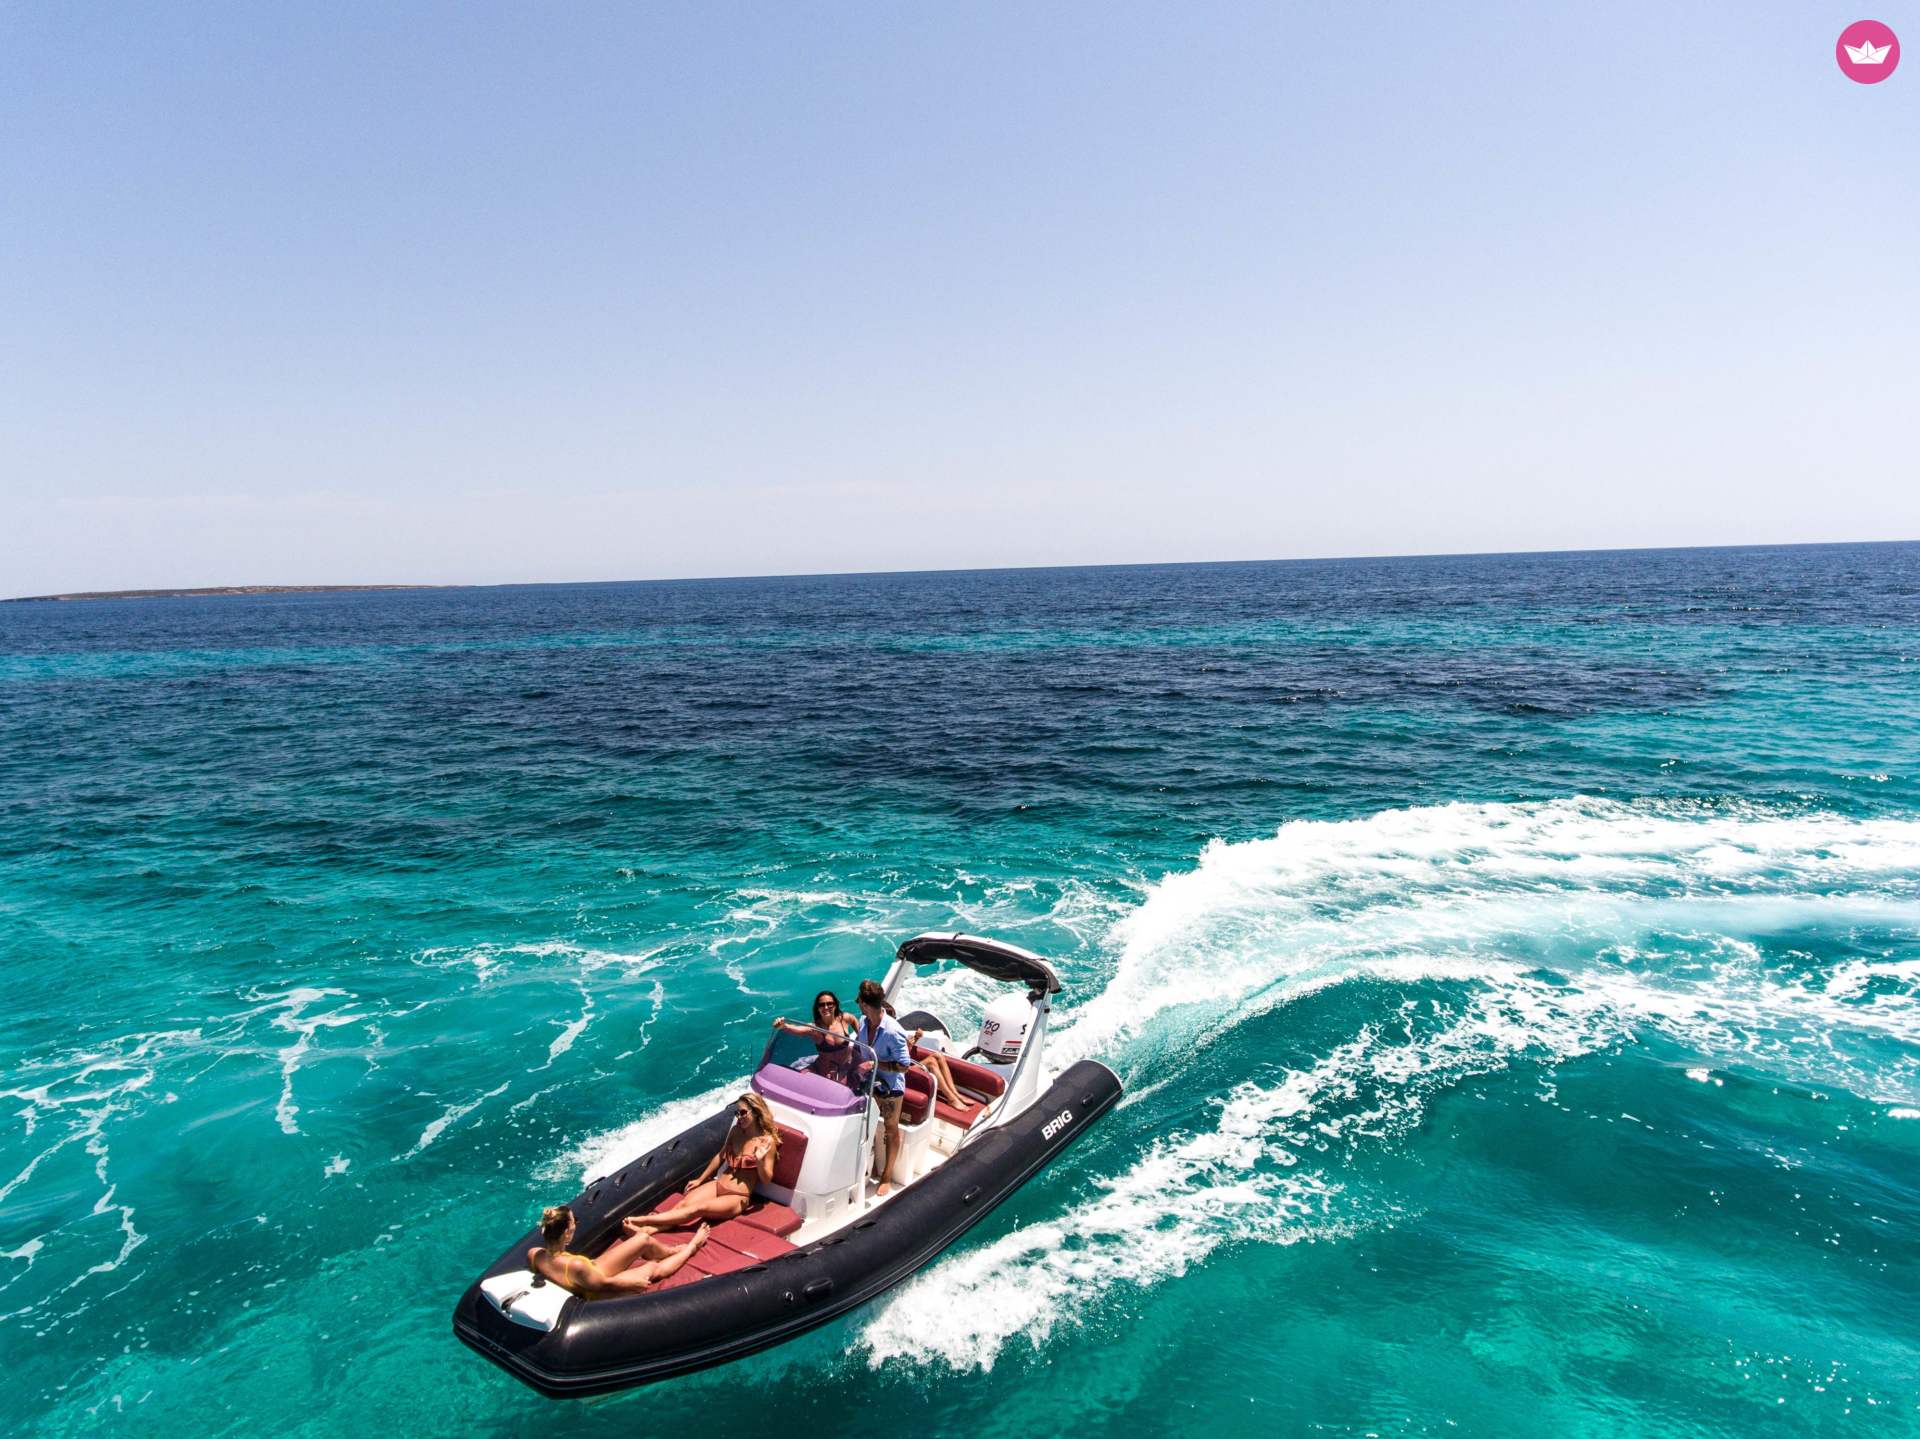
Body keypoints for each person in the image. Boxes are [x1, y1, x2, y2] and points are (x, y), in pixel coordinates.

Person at [637, 1093, 781, 1229]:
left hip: (736, 1197)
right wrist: (700, 1179)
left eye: (743, 1113)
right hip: (718, 1184)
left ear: (755, 1112)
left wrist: (760, 1161)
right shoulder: (736, 1131)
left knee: (699, 1208)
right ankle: (649, 1231)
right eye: (737, 1113)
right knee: (684, 1204)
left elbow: (766, 1179)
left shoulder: (766, 1142)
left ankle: (646, 1221)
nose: (739, 1117)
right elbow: (720, 1156)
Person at [526, 1203, 709, 1298]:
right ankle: (693, 1246)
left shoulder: (535, 1254)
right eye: (574, 1222)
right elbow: (604, 1285)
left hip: (589, 1272)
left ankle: (668, 1251)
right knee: (653, 1267)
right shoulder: (575, 1265)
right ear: (566, 1232)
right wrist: (632, 1284)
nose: (576, 1225)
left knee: (643, 1239)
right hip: (593, 1292)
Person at [855, 978, 912, 1195]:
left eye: (859, 1000)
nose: (858, 1003)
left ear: (865, 1004)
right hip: (867, 1083)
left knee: (890, 1128)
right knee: (862, 1124)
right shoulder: (863, 1021)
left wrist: (876, 1064)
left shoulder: (892, 1031)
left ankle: (886, 1176)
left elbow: (905, 1066)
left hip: (890, 1088)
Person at [773, 990, 858, 1082]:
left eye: (829, 1003)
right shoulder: (815, 1028)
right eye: (821, 1005)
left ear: (835, 1005)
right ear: (817, 1008)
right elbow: (799, 1029)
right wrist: (783, 1026)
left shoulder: (845, 1018)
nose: (825, 1007)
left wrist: (863, 1037)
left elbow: (855, 1023)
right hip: (824, 1071)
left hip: (846, 1068)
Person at [908, 1027, 978, 1114]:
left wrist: (916, 1039)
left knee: (938, 1056)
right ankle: (951, 1099)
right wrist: (908, 1046)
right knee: (931, 1062)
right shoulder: (888, 1033)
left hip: (906, 1065)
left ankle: (955, 1094)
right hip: (897, 1072)